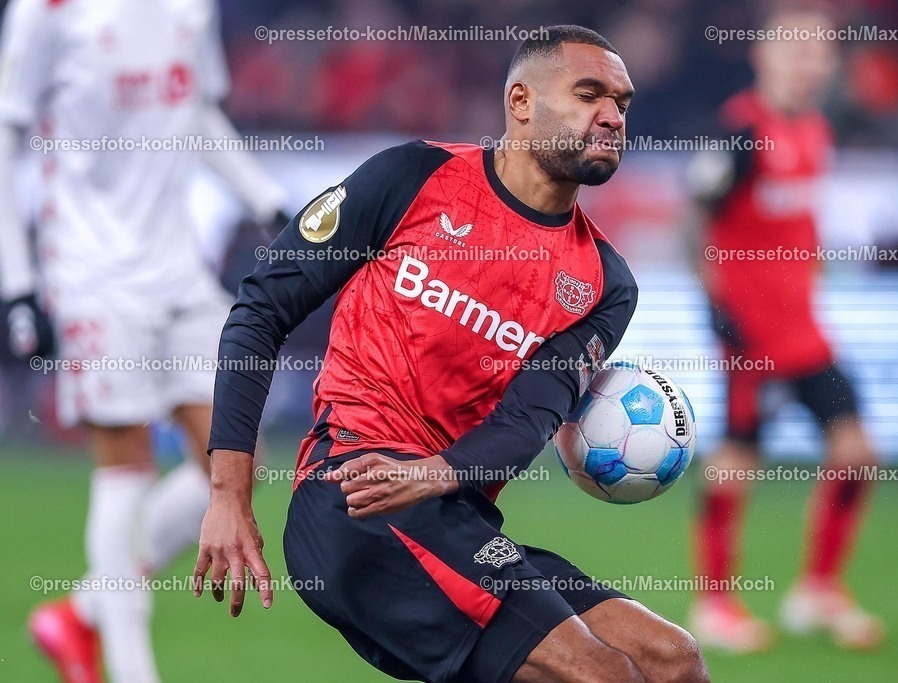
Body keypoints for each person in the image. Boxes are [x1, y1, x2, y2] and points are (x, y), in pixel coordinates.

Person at [194, 25, 709, 683]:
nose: (612, 116)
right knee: (602, 674)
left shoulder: (605, 283)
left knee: (672, 661)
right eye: (589, 95)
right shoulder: (413, 176)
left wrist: (441, 472)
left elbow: (529, 420)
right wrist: (229, 493)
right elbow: (260, 310)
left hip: (452, 511)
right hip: (356, 497)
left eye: (622, 103)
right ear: (521, 103)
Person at [0, 1, 287, 681]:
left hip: (177, 270)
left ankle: (82, 613)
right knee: (123, 462)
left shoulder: (191, 5)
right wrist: (17, 280)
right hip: (91, 272)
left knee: (237, 458)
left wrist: (268, 201)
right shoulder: (47, 12)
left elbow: (196, 113)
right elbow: (6, 136)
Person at [687, 7, 883, 653]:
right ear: (764, 55)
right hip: (751, 337)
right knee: (736, 464)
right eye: (796, 50)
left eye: (819, 51)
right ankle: (713, 605)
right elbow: (695, 223)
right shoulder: (741, 133)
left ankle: (816, 590)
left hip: (805, 332)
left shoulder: (818, 129)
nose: (810, 63)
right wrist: (719, 312)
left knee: (856, 450)